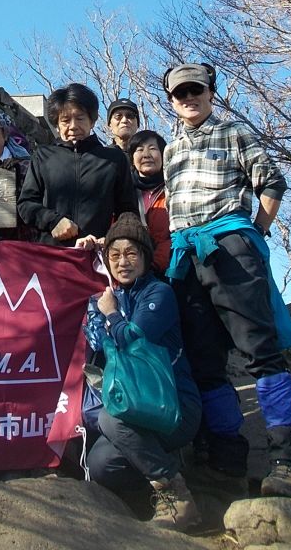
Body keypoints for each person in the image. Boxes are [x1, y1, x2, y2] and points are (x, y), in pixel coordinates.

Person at [162, 62, 291, 498]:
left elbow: (273, 182)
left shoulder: (234, 131)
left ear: (211, 93)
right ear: (171, 100)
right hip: (186, 255)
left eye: (196, 90)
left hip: (229, 244)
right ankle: (226, 460)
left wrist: (254, 233)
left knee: (259, 350)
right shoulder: (170, 150)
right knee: (204, 359)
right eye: (180, 93)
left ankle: (289, 458)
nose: (188, 98)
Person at [85, 213, 202, 533]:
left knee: (112, 418)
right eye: (114, 255)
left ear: (146, 257)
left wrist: (109, 314)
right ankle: (158, 471)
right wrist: (102, 316)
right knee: (101, 464)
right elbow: (99, 344)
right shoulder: (110, 297)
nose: (123, 262)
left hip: (172, 405)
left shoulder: (158, 293)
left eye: (131, 253)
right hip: (135, 407)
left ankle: (178, 497)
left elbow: (135, 341)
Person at [17, 83, 137, 245]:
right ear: (57, 125)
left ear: (92, 121)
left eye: (80, 118)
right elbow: (26, 204)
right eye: (65, 120)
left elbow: (128, 211)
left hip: (98, 255)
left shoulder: (114, 159)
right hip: (51, 256)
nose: (73, 126)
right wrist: (53, 221)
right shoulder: (42, 157)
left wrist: (111, 239)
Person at [128, 130, 171, 275]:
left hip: (171, 268)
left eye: (152, 149)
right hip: (131, 271)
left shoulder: (174, 189)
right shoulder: (124, 193)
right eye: (139, 150)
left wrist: (154, 265)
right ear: (132, 158)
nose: (146, 154)